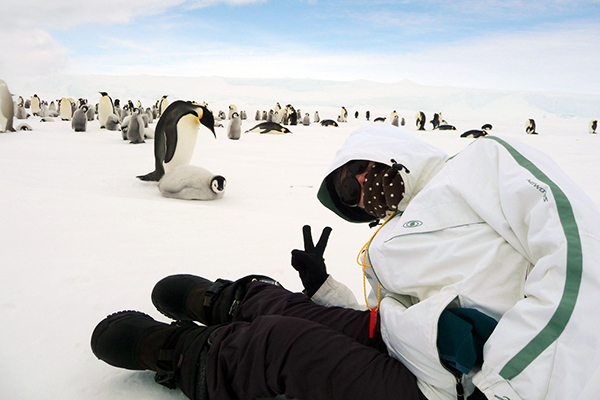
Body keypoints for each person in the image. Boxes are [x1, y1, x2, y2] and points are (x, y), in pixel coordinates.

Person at [91, 124, 600, 400]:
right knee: (291, 312)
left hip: (474, 382)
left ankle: (183, 353)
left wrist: (502, 386)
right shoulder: (393, 232)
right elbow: (392, 315)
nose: (359, 200)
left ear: (378, 152)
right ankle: (236, 301)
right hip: (416, 345)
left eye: (348, 183)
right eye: (347, 203)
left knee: (281, 344)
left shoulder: (482, 163)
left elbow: (577, 252)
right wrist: (324, 289)